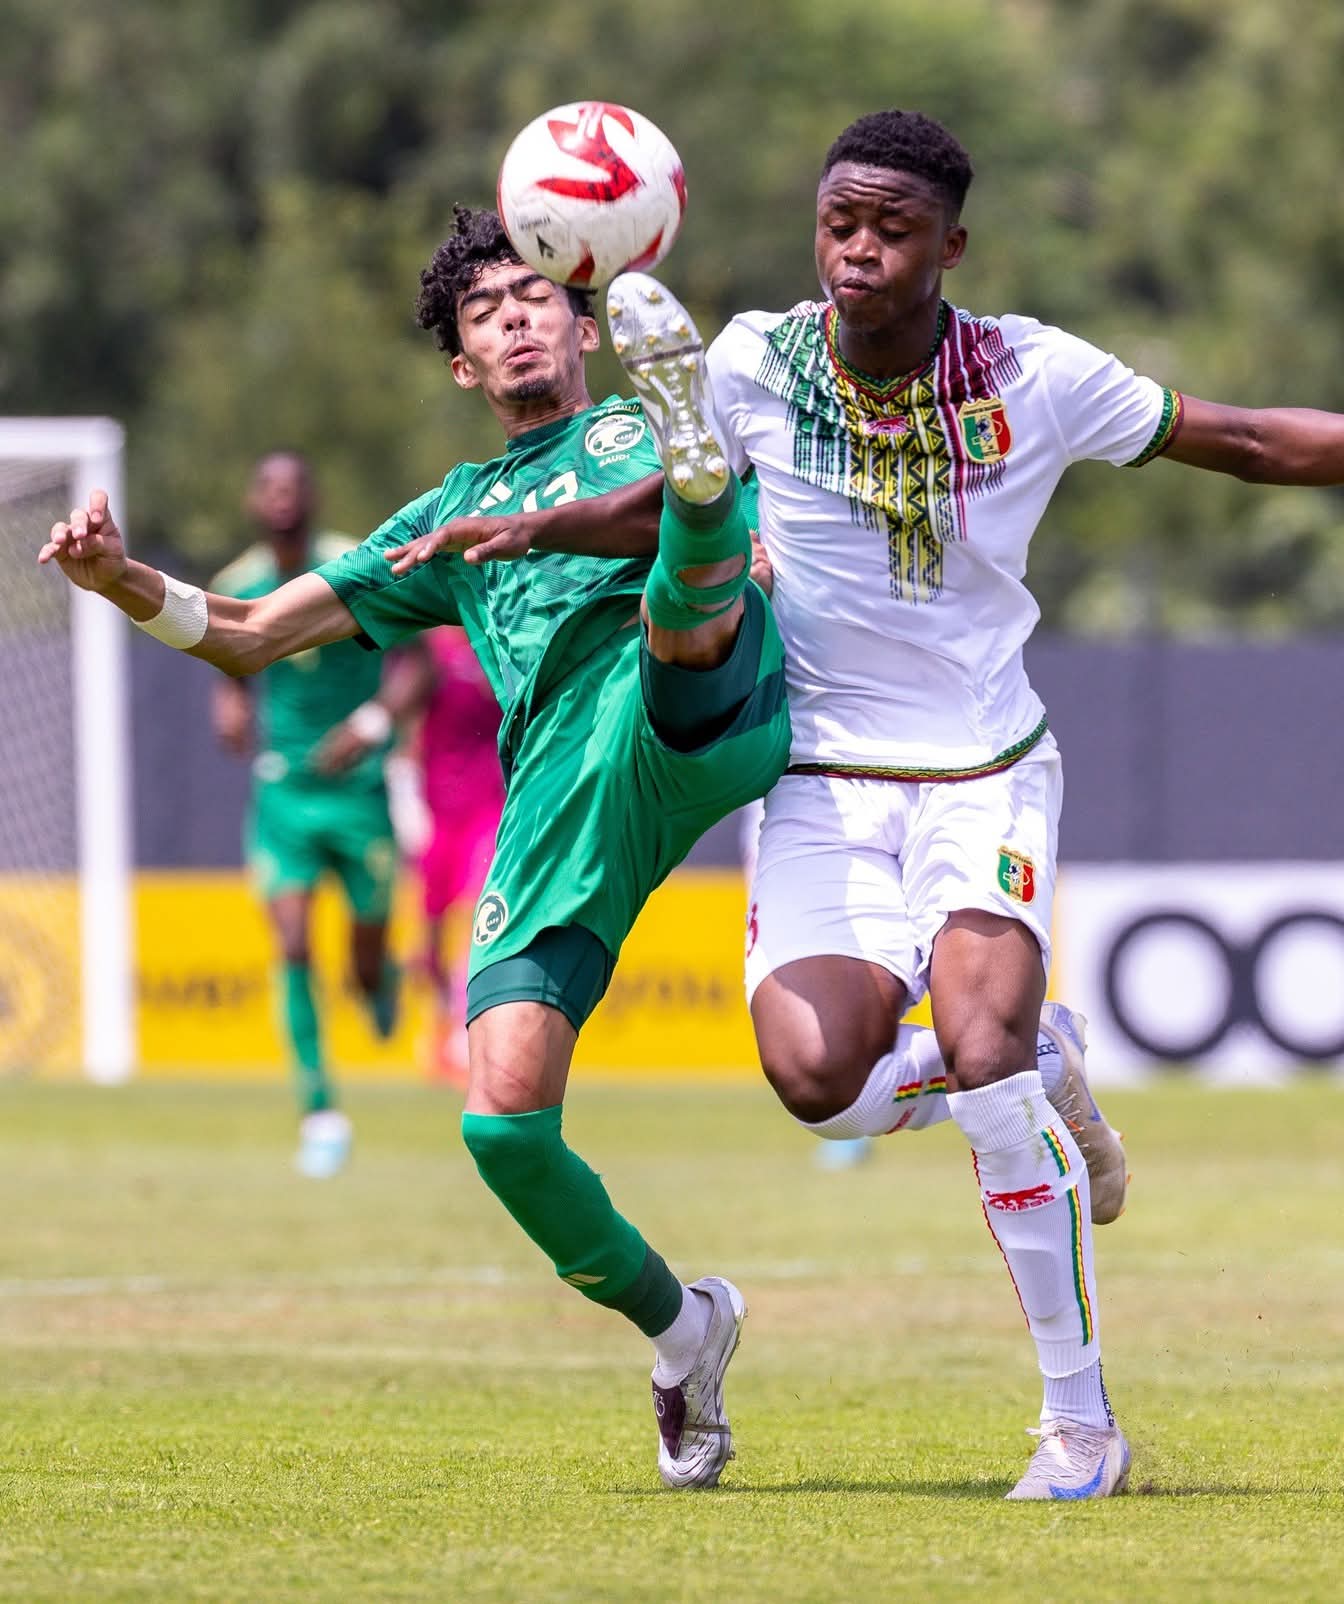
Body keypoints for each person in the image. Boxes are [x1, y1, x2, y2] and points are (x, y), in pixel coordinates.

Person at [401, 111, 1344, 1501]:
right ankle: (1041, 1049)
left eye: (892, 230)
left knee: (982, 1066)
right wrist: (535, 525)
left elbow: (1248, 441)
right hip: (822, 776)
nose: (857, 252)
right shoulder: (746, 363)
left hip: (981, 769)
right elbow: (685, 501)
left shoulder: (1034, 371)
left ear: (950, 245)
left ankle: (1079, 1421)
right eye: (839, 224)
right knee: (818, 1088)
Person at [36, 204, 790, 1491]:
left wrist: (668, 506)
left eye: (532, 294)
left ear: (583, 316)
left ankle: (699, 506)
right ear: (462, 364)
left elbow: (727, 542)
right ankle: (684, 1330)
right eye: (483, 311)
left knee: (687, 548)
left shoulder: (625, 429)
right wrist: (123, 584)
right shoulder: (448, 515)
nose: (512, 317)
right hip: (564, 791)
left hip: (697, 698)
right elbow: (254, 632)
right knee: (500, 1125)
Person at [209, 450, 424, 1178]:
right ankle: (320, 1111)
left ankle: (380, 980)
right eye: (267, 487)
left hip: (358, 791)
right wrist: (231, 705)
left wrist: (370, 725)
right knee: (293, 942)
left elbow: (417, 664)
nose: (280, 499)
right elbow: (229, 664)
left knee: (362, 962)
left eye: (291, 486)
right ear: (253, 501)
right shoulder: (237, 585)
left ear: (312, 496)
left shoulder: (354, 562)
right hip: (284, 796)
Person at [406, 625, 506, 1084]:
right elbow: (409, 722)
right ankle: (438, 1028)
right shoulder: (433, 647)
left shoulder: (501, 639)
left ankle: (468, 1036)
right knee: (427, 937)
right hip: (437, 811)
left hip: (489, 807)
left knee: (475, 916)